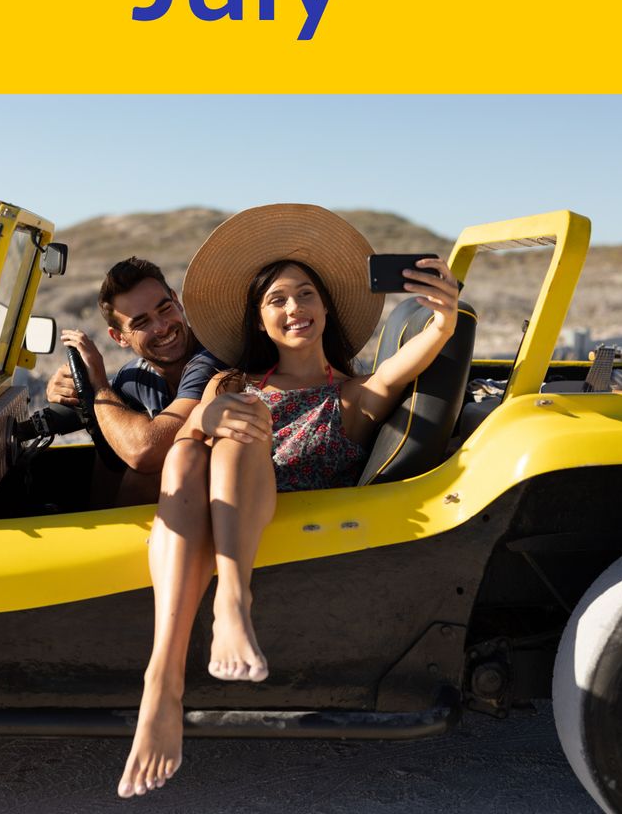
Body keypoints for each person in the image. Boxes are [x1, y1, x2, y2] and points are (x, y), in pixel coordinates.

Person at [117, 204, 460, 798]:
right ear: (260, 319)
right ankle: (166, 678)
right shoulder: (233, 384)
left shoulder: (354, 399)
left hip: (287, 533)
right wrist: (205, 412)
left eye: (305, 295)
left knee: (236, 431)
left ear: (326, 307)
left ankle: (220, 615)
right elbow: (185, 444)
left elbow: (418, 353)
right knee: (194, 447)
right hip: (207, 510)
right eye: (276, 300)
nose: (294, 308)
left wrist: (445, 317)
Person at [45, 256, 268, 506]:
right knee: (112, 440)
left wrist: (99, 385)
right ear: (119, 337)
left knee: (144, 475)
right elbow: (109, 419)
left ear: (177, 302)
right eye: (142, 322)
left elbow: (145, 452)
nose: (161, 327)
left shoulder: (212, 359)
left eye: (165, 309)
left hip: (246, 495)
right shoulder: (137, 376)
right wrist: (66, 388)